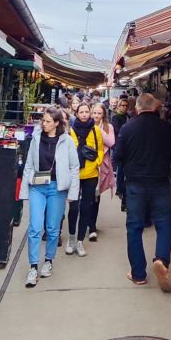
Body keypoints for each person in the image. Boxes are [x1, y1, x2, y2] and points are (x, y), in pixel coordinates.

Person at [115, 92, 171, 292]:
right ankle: (161, 260)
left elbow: (117, 156)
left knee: (134, 228)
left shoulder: (127, 128)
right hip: (160, 183)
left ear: (137, 108)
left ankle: (138, 274)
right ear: (153, 108)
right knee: (164, 224)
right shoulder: (164, 127)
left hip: (135, 185)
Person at [19, 106, 80, 288]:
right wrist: (24, 191)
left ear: (56, 123)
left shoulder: (67, 141)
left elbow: (74, 168)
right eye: (42, 120)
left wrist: (72, 193)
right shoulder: (36, 139)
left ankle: (49, 261)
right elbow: (29, 165)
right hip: (37, 186)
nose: (43, 124)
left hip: (57, 188)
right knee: (35, 227)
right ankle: (33, 266)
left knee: (53, 228)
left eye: (47, 121)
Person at [65, 102, 104, 256]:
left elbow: (101, 149)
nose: (84, 114)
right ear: (77, 113)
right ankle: (72, 238)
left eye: (87, 111)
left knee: (86, 208)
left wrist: (97, 162)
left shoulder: (95, 131)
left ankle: (80, 241)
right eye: (81, 112)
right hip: (74, 175)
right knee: (73, 208)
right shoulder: (71, 131)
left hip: (90, 174)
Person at [89, 101, 116, 240]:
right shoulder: (86, 125)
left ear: (104, 114)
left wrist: (98, 130)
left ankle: (92, 224)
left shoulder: (108, 127)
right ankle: (89, 224)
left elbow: (111, 142)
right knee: (87, 196)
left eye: (99, 113)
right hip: (88, 165)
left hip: (102, 165)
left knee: (96, 196)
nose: (96, 116)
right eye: (94, 113)